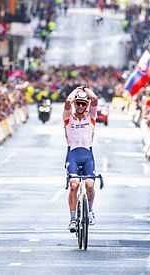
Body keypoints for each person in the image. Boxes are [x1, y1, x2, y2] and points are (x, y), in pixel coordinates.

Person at [63, 86, 98, 232]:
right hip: (73, 154)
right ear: (75, 104)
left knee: (90, 185)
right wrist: (77, 90)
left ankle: (90, 212)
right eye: (78, 103)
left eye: (84, 103)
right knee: (74, 184)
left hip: (87, 154)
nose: (81, 106)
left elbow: (95, 99)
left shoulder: (91, 117)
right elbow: (67, 101)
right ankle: (72, 219)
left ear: (87, 105)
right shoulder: (68, 117)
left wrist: (86, 89)